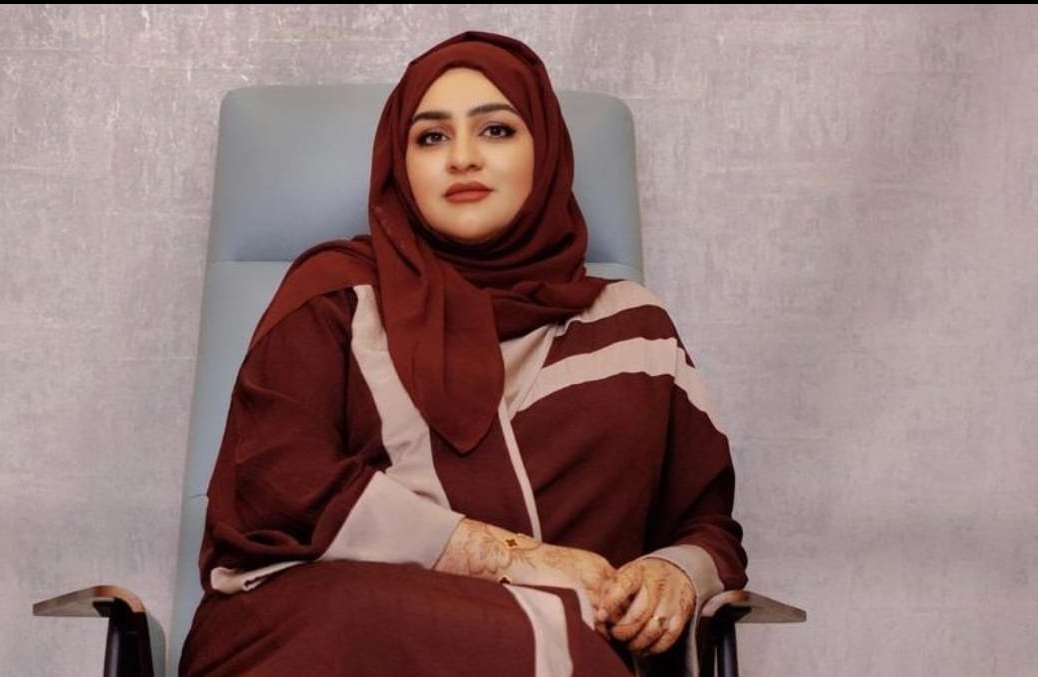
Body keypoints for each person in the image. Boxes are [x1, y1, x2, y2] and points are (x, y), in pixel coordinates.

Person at [179, 30, 747, 677]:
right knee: (358, 614)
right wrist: (519, 560)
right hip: (330, 631)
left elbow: (706, 523)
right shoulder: (332, 297)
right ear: (399, 164)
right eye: (431, 137)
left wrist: (677, 573)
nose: (462, 158)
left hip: (576, 643)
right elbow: (281, 486)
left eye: (496, 130)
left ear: (545, 151)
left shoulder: (634, 327)